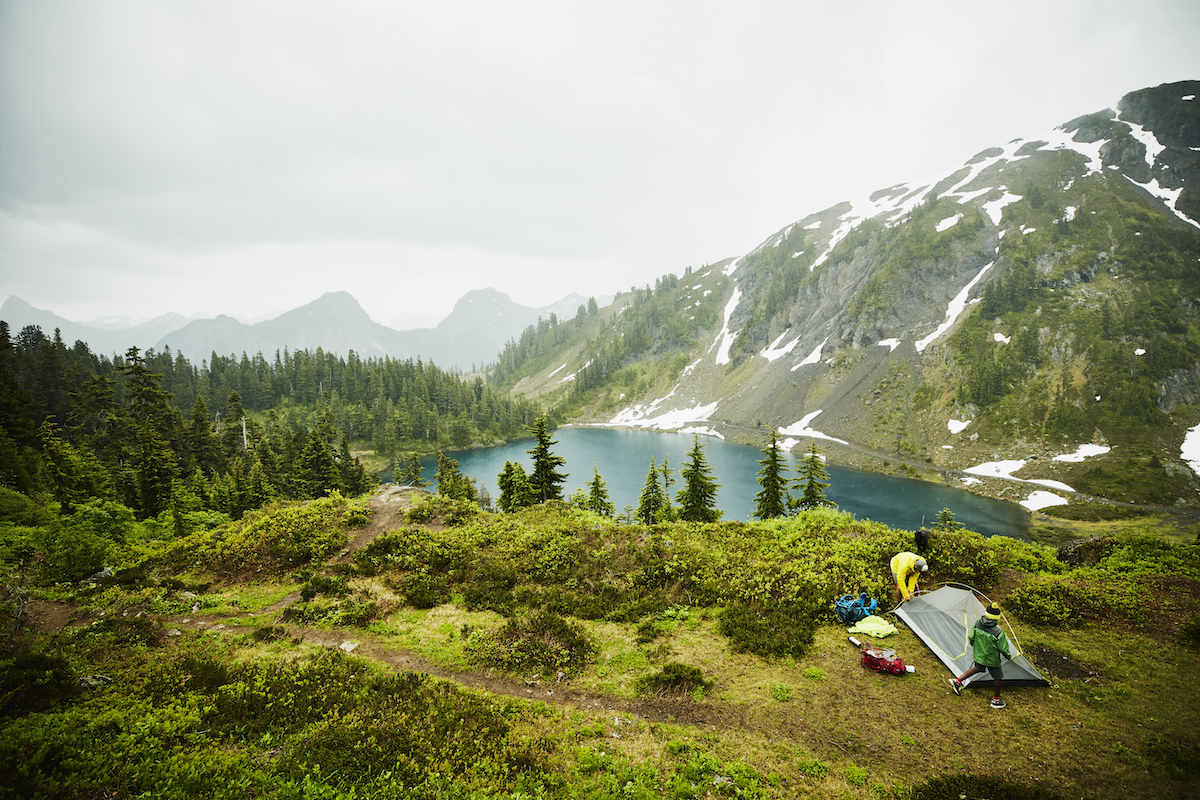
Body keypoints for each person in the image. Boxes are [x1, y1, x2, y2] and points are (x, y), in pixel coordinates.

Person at [949, 602, 1013, 709]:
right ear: (996, 618)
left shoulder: (977, 624)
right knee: (998, 677)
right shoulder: (998, 632)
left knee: (977, 668)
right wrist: (1008, 656)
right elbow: (1003, 648)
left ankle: (958, 681)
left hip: (979, 655)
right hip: (992, 659)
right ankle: (996, 701)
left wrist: (976, 646)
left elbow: (971, 636)